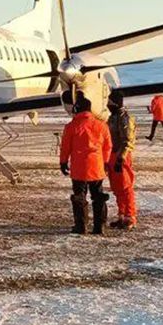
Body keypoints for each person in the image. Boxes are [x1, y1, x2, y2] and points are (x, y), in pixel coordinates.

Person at [59, 95, 112, 235]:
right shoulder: (102, 125)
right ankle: (99, 225)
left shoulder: (71, 126)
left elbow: (65, 147)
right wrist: (105, 162)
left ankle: (81, 225)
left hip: (79, 167)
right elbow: (108, 147)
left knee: (79, 196)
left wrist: (63, 161)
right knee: (98, 195)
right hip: (97, 166)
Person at [106, 91, 137, 229]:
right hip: (112, 155)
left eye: (110, 102)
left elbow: (128, 140)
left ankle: (130, 216)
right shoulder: (112, 117)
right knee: (117, 188)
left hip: (121, 156)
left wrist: (121, 158)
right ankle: (121, 215)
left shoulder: (125, 118)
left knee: (126, 187)